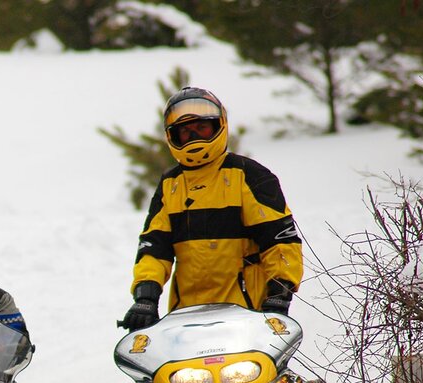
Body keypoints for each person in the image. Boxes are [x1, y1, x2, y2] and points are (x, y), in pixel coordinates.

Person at [121, 87, 303, 331]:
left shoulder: (249, 175)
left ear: (220, 126)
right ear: (172, 137)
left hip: (251, 317)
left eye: (202, 128)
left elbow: (279, 241)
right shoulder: (170, 185)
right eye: (186, 132)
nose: (194, 136)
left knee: (275, 371)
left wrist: (279, 294)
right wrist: (145, 298)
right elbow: (154, 248)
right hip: (186, 322)